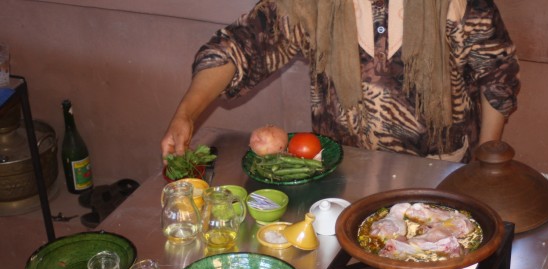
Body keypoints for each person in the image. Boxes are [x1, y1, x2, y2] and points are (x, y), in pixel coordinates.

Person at [161, 0, 520, 164]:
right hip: (344, 176)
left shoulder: (460, 5)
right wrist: (186, 114)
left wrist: (486, 166)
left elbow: (497, 76)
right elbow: (240, 47)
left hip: (437, 176)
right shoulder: (313, 5)